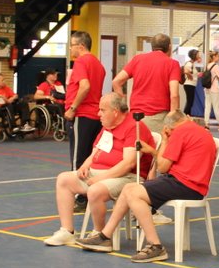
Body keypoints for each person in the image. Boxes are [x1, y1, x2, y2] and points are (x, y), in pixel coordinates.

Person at [77, 111, 218, 263]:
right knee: (129, 188)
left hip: (185, 184)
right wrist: (158, 146)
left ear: (170, 127)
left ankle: (155, 245)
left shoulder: (180, 133)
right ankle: (105, 236)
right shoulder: (198, 130)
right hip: (190, 183)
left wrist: (163, 142)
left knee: (132, 192)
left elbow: (163, 167)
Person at [43, 93, 152, 247]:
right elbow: (95, 152)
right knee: (64, 179)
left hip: (128, 177)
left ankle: (101, 236)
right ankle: (67, 231)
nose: (98, 114)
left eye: (102, 110)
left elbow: (128, 164)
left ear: (115, 112)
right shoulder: (108, 127)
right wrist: (85, 166)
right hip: (102, 173)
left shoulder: (134, 127)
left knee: (95, 190)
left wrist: (101, 178)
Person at [112, 33, 179, 134]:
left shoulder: (137, 59)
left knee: (136, 147)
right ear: (169, 47)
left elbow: (116, 81)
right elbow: (174, 95)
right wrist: (172, 121)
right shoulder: (172, 64)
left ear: (152, 46)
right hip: (158, 118)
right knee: (157, 148)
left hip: (135, 117)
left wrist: (123, 104)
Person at [65, 30, 106, 175]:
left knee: (78, 157)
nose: (70, 48)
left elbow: (85, 86)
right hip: (95, 116)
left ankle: (78, 192)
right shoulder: (99, 64)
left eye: (72, 45)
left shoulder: (81, 62)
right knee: (89, 156)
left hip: (82, 114)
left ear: (81, 46)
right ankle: (86, 192)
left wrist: (73, 108)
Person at [201, 49, 219, 129]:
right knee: (216, 107)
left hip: (207, 88)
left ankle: (206, 123)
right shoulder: (216, 66)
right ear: (214, 57)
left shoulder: (207, 65)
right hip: (214, 89)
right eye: (218, 56)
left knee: (207, 106)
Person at [182, 48, 200, 116]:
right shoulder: (189, 63)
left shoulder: (192, 64)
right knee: (190, 102)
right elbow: (186, 71)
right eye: (198, 54)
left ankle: (187, 115)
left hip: (191, 85)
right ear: (194, 55)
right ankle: (185, 115)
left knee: (190, 102)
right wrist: (190, 75)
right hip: (189, 85)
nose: (199, 56)